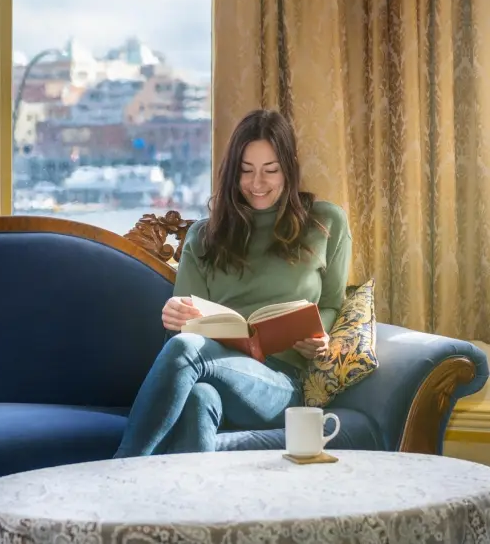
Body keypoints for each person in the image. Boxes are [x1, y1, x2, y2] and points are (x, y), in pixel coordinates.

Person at [114, 109, 352, 457]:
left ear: (289, 168)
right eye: (246, 171)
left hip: (280, 385)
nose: (257, 184)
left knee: (186, 356)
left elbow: (332, 302)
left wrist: (320, 337)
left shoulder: (325, 222)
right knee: (198, 397)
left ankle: (119, 471)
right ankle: (196, 509)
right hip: (212, 371)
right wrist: (175, 316)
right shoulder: (204, 236)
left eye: (271, 170)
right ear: (232, 172)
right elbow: (184, 335)